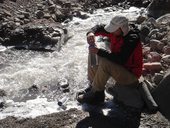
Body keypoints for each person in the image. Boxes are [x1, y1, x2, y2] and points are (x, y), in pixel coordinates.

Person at [76, 15, 145, 128]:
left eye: (114, 29)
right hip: (119, 71)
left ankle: (95, 94)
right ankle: (95, 89)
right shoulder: (116, 31)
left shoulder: (132, 38)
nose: (111, 32)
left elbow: (120, 59)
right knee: (93, 52)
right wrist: (90, 33)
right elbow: (99, 28)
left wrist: (99, 51)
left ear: (122, 28)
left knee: (104, 60)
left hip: (131, 76)